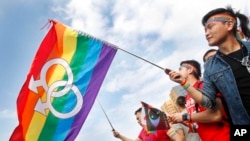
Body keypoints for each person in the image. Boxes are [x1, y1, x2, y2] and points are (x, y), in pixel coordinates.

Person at [167, 5, 250, 125]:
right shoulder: (211, 67)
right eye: (205, 30)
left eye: (210, 27)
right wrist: (183, 83)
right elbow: (208, 102)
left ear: (229, 24)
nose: (206, 33)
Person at [167, 60, 230, 141]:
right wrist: (178, 120)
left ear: (190, 70)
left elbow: (216, 115)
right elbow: (197, 126)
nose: (177, 71)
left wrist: (184, 116)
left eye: (180, 69)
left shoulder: (205, 86)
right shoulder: (187, 96)